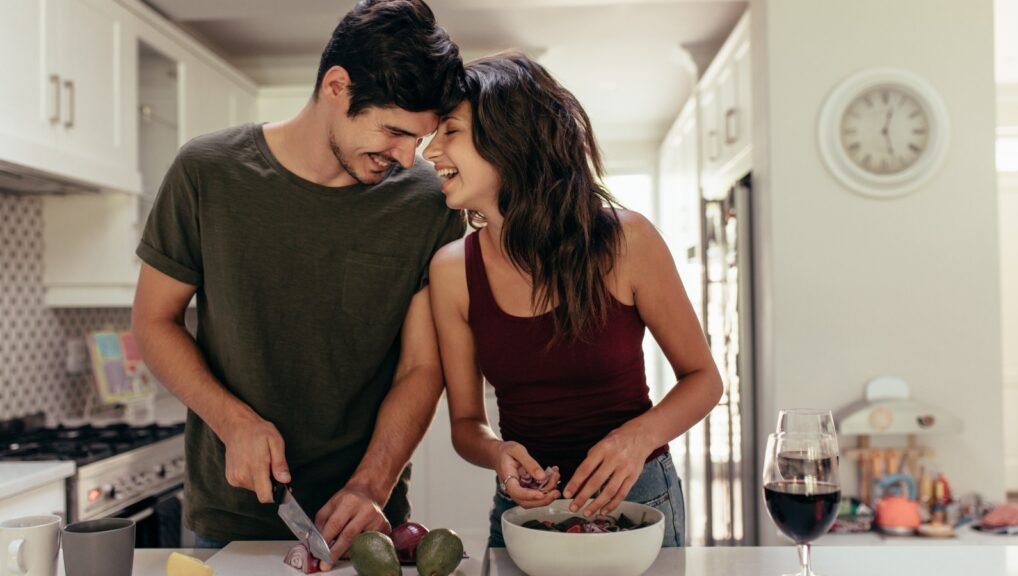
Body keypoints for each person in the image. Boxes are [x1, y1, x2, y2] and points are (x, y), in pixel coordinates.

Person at [130, 0, 464, 566]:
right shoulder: (206, 172)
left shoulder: (426, 204)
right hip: (230, 519)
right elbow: (153, 321)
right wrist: (233, 422)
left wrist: (371, 486)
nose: (409, 158)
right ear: (337, 86)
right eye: (394, 131)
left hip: (366, 523)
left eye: (421, 139)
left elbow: (420, 367)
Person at [424, 53, 723, 548]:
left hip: (641, 501)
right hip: (524, 514)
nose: (430, 151)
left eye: (449, 131)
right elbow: (465, 423)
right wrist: (498, 453)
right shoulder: (452, 270)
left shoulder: (626, 241)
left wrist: (637, 439)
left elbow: (704, 380)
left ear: (508, 139)